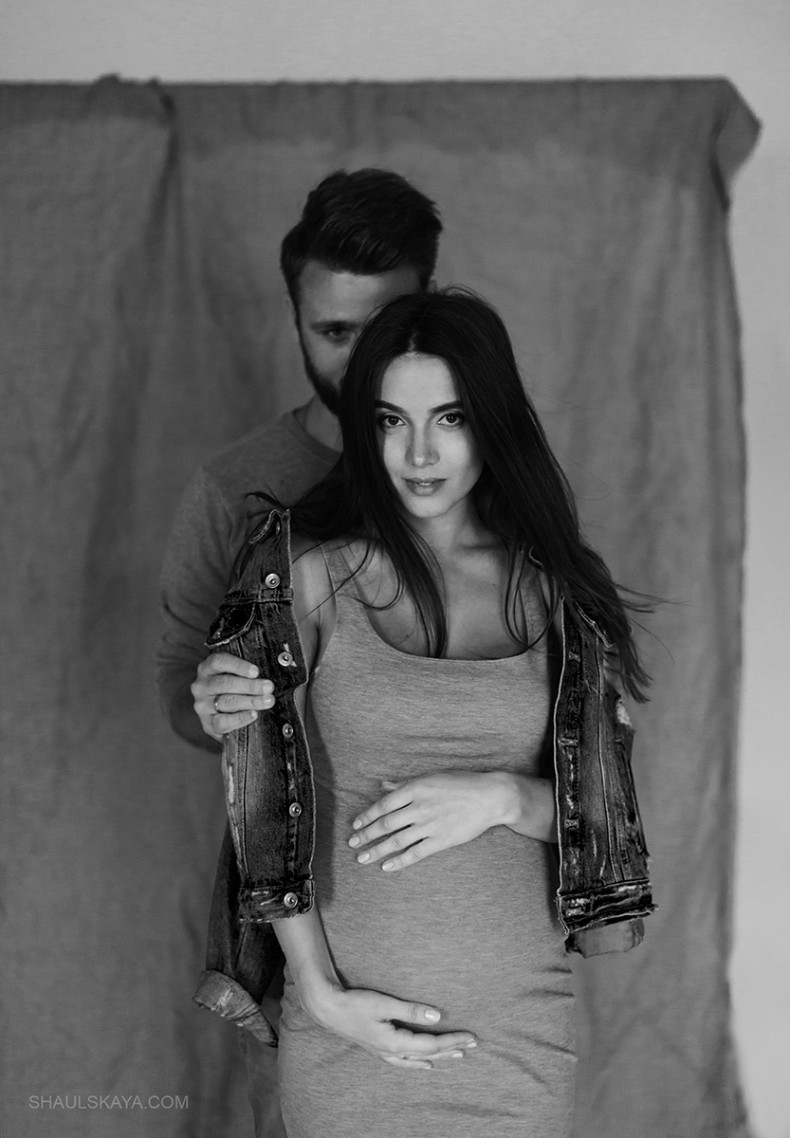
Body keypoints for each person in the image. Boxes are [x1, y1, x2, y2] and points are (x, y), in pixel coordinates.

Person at [200, 289, 655, 1138]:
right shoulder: (309, 578)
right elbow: (260, 804)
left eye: (449, 417)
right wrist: (321, 996)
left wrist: (502, 797)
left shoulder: (560, 593)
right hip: (346, 1032)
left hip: (515, 1037)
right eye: (390, 420)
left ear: (492, 420)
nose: (418, 453)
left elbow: (611, 822)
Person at [156, 168, 442, 1136]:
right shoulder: (236, 488)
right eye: (334, 332)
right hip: (296, 923)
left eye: (387, 326)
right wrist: (209, 702)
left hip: (466, 909)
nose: (363, 361)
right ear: (292, 319)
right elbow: (177, 687)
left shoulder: (486, 481)